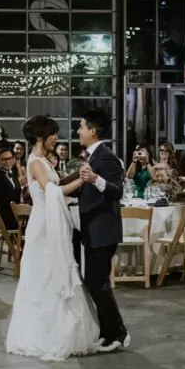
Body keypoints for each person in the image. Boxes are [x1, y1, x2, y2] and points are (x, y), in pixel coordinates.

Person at [6, 116, 100, 361]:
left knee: (54, 271)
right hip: (44, 225)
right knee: (45, 273)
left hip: (50, 220)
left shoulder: (43, 160)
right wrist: (82, 179)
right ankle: (45, 334)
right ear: (41, 137)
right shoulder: (36, 162)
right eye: (53, 135)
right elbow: (52, 192)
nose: (56, 138)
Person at [70, 109, 129, 352]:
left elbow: (117, 191)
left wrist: (95, 179)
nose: (78, 131)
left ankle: (119, 333)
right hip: (93, 229)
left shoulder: (106, 158)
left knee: (97, 282)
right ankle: (107, 333)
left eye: (81, 126)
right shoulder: (92, 157)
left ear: (93, 130)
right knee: (96, 282)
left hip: (104, 230)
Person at [0, 144, 20, 231]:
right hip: (8, 218)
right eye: (4, 159)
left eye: (9, 158)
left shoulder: (12, 174)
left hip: (16, 213)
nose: (7, 162)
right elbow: (0, 204)